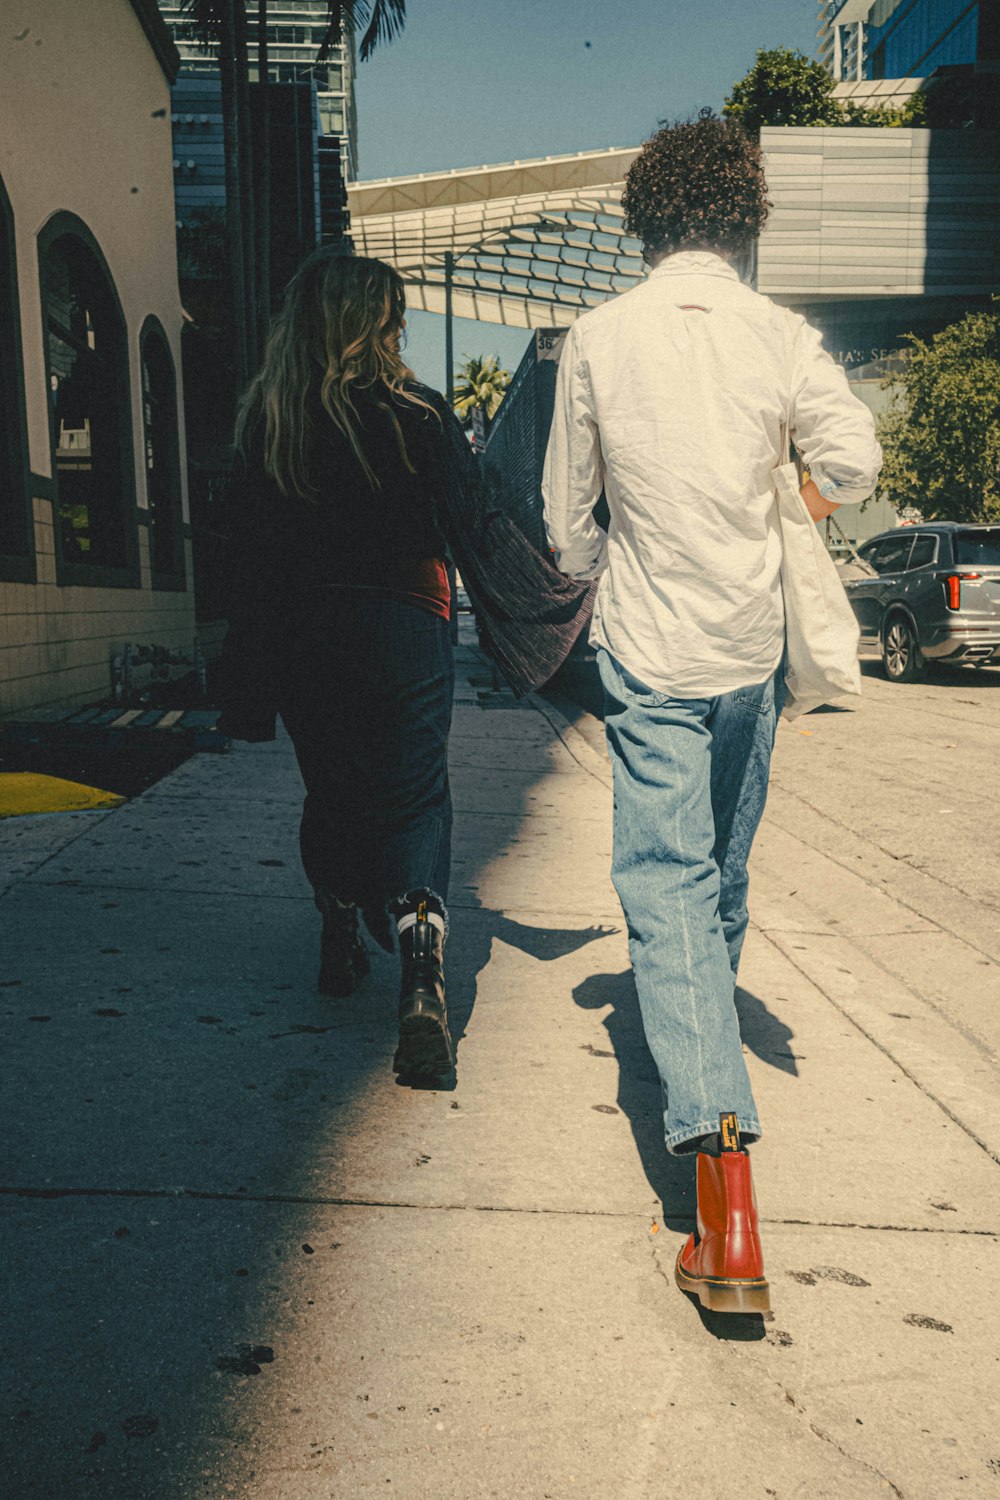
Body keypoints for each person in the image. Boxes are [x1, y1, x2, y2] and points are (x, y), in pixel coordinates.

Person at [542, 114, 882, 1313]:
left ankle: (721, 1191)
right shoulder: (779, 334)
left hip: (645, 645)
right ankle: (711, 1092)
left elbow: (567, 522)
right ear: (741, 219)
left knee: (670, 884)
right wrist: (779, 509)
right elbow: (852, 460)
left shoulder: (595, 337)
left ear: (645, 218)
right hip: (749, 651)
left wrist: (625, 543)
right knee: (714, 884)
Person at [217, 251, 594, 1081]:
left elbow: (242, 557)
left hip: (304, 633)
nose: (400, 328)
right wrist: (550, 605)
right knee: (418, 791)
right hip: (406, 622)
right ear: (373, 323)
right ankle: (422, 972)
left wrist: (243, 675)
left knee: (337, 787)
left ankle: (340, 925)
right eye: (392, 316)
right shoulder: (419, 414)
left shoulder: (266, 420)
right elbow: (479, 518)